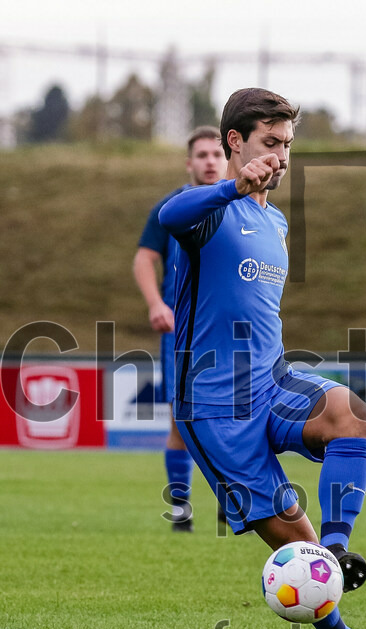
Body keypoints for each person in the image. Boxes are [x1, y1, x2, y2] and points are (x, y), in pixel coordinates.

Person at [159, 88, 366, 629]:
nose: (282, 156)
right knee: (294, 546)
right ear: (235, 142)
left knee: (353, 417)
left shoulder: (276, 219)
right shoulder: (205, 208)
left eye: (287, 144)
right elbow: (168, 217)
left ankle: (337, 549)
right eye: (270, 143)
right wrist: (234, 184)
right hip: (215, 408)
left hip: (271, 379)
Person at [133, 126, 227, 532]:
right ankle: (181, 509)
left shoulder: (242, 206)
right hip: (184, 331)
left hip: (229, 330)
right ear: (189, 163)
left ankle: (234, 502)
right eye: (202, 154)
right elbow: (143, 259)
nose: (210, 161)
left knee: (235, 416)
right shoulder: (171, 208)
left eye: (216, 154)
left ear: (227, 159)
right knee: (181, 418)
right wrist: (156, 303)